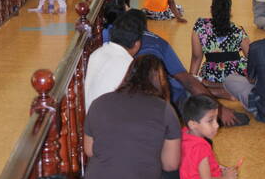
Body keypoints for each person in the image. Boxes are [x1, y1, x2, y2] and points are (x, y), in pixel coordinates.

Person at [104, 8, 249, 127]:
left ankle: (210, 95)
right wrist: (219, 110)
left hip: (141, 104)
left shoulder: (109, 37)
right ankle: (211, 98)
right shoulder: (159, 43)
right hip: (170, 101)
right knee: (190, 100)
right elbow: (187, 80)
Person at [84, 55, 182, 179]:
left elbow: (89, 150)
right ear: (161, 81)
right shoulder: (165, 109)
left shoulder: (99, 102)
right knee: (182, 171)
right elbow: (170, 164)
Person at [180, 95, 265, 179]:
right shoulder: (200, 148)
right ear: (193, 124)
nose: (216, 125)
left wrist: (219, 167)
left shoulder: (184, 136)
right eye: (210, 121)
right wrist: (226, 177)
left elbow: (195, 166)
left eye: (216, 119)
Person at [84, 8, 144, 112]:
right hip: (108, 123)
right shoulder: (129, 65)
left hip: (89, 119)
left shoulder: (97, 53)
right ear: (137, 44)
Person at [190, 0, 249, 83]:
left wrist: (191, 82)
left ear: (211, 9)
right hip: (236, 76)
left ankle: (216, 90)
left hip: (211, 76)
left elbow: (196, 57)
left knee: (204, 85)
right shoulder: (237, 30)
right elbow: (251, 56)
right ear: (229, 11)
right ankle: (228, 91)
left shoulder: (200, 26)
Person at [223, 38, 265, 122]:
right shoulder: (239, 33)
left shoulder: (256, 47)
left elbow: (251, 80)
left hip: (262, 110)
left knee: (230, 79)